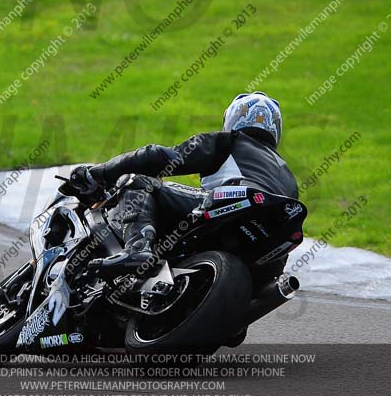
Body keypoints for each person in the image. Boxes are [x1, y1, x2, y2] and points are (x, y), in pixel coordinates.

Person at [69, 92, 299, 275]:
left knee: (136, 182)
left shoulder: (229, 141)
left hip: (231, 204)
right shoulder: (288, 176)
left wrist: (99, 173)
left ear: (232, 118)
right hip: (263, 242)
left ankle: (137, 250)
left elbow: (157, 157)